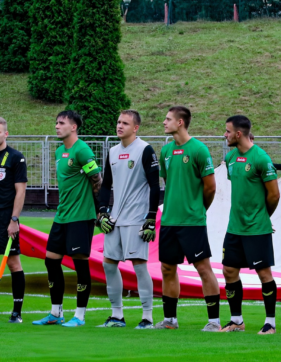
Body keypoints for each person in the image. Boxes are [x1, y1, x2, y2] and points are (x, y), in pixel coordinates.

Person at [33, 111, 102, 327]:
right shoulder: (59, 151)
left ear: (73, 127)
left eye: (61, 123)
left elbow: (97, 180)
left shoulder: (82, 150)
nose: (56, 126)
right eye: (56, 122)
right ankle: (56, 313)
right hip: (62, 215)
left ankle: (79, 316)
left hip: (81, 216)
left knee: (80, 262)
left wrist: (99, 211)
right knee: (51, 260)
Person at [156, 106, 221, 331]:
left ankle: (214, 321)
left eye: (168, 119)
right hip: (169, 221)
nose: (164, 122)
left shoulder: (199, 149)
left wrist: (199, 209)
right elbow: (168, 182)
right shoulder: (166, 151)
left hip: (192, 222)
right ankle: (170, 320)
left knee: (203, 269)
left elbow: (210, 187)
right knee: (167, 269)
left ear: (180, 122)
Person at [96, 110, 160, 329]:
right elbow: (106, 184)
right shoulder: (113, 151)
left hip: (137, 218)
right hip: (115, 218)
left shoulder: (145, 149)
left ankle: (147, 318)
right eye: (118, 122)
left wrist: (151, 217)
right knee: (108, 265)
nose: (119, 126)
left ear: (136, 128)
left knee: (139, 266)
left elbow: (155, 186)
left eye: (125, 123)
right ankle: (117, 316)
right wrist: (103, 212)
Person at [221, 115, 280, 335]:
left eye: (227, 131)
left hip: (257, 228)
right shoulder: (230, 158)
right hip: (234, 227)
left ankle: (270, 323)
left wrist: (263, 217)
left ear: (238, 134)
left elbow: (274, 195)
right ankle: (236, 320)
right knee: (229, 270)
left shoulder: (261, 158)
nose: (225, 135)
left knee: (263, 273)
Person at [0, 117, 27, 323]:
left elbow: (20, 191)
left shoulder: (16, 158)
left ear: (6, 134)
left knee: (13, 264)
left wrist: (14, 220)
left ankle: (17, 312)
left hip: (5, 218)